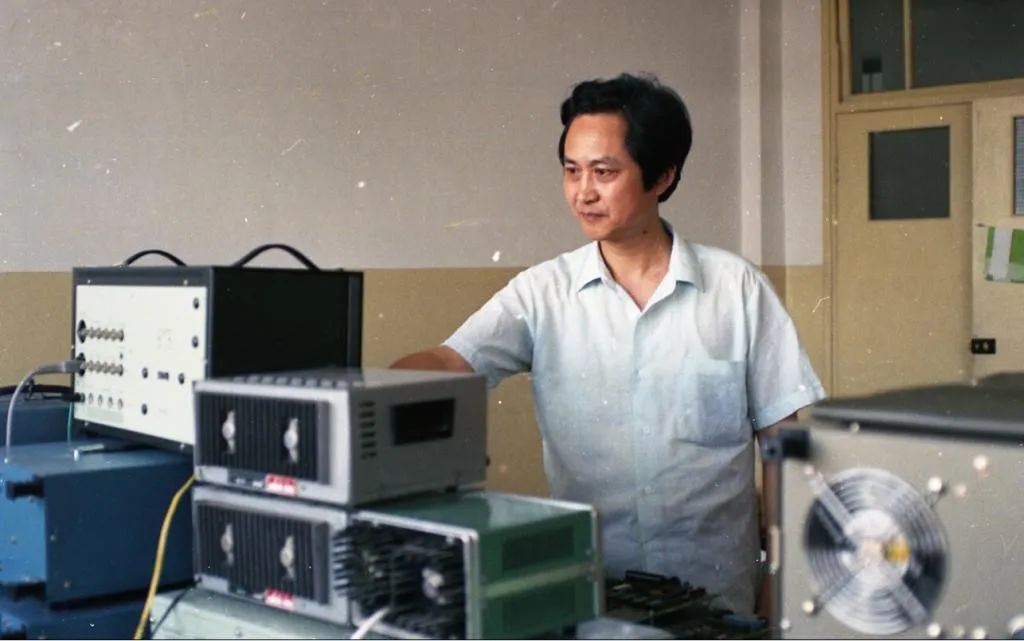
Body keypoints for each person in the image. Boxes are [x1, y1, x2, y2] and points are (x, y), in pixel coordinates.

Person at [391, 72, 826, 615]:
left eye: (604, 172)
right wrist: (367, 389)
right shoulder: (542, 292)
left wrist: (781, 577)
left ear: (662, 176)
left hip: (717, 601)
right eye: (571, 170)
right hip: (592, 594)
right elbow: (452, 361)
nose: (583, 192)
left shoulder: (736, 289)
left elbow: (782, 446)